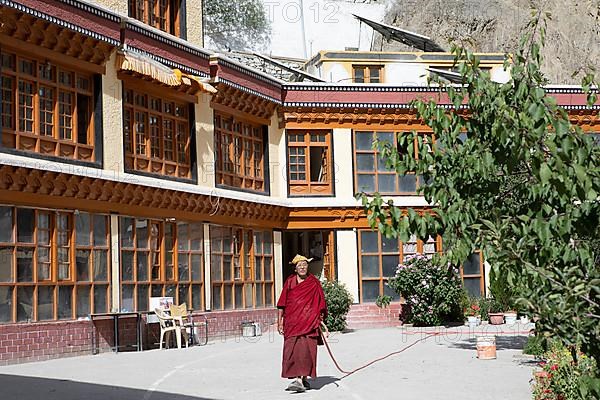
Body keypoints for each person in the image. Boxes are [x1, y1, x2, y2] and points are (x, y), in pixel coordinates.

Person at [277, 254, 328, 393]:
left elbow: (321, 303)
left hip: (309, 323)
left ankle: (300, 379)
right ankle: (302, 379)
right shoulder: (290, 282)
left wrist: (320, 318)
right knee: (292, 351)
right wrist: (279, 321)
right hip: (292, 323)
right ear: (295, 268)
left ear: (308, 267)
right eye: (299, 265)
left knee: (306, 351)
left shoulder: (314, 283)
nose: (302, 267)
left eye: (304, 265)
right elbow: (282, 303)